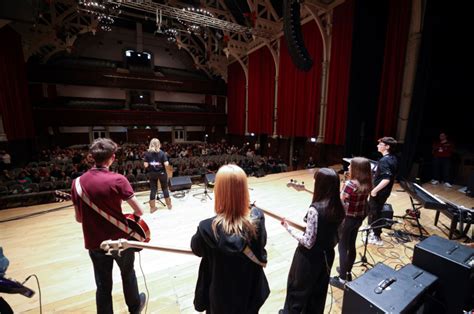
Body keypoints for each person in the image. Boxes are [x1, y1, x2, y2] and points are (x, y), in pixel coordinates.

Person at [71, 138, 146, 314]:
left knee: (103, 283)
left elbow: (79, 219)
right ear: (112, 158)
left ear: (92, 157)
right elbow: (139, 211)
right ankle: (134, 307)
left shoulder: (77, 183)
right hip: (120, 240)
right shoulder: (118, 180)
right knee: (128, 274)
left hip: (95, 242)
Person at [191, 164, 270, 313]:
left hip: (220, 299)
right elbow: (262, 243)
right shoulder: (257, 217)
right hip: (249, 293)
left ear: (218, 191)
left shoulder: (207, 227)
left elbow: (196, 249)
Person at [280, 168, 345, 314]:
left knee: (297, 290)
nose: (314, 182)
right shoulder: (340, 205)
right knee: (318, 292)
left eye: (316, 180)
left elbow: (308, 242)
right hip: (327, 255)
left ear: (321, 184)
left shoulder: (315, 210)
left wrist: (288, 228)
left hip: (309, 258)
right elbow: (337, 232)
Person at [329, 157, 372, 289]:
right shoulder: (368, 183)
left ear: (357, 169)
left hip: (347, 219)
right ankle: (347, 270)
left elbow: (340, 201)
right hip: (358, 218)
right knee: (351, 245)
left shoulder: (350, 184)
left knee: (342, 247)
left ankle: (342, 280)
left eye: (350, 166)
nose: (348, 168)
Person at [367, 137, 398, 246]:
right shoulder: (392, 158)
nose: (377, 146)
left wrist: (374, 191)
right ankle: (373, 231)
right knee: (376, 211)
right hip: (384, 192)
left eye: (380, 144)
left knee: (375, 212)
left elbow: (386, 179)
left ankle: (376, 236)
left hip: (379, 192)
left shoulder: (384, 160)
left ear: (387, 147)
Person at [143, 138, 172, 212]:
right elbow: (166, 164)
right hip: (162, 173)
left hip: (152, 173)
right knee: (165, 188)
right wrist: (166, 161)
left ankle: (152, 208)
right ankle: (169, 205)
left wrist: (151, 163)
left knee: (153, 189)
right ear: (159, 144)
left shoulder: (147, 153)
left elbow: (145, 165)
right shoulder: (162, 153)